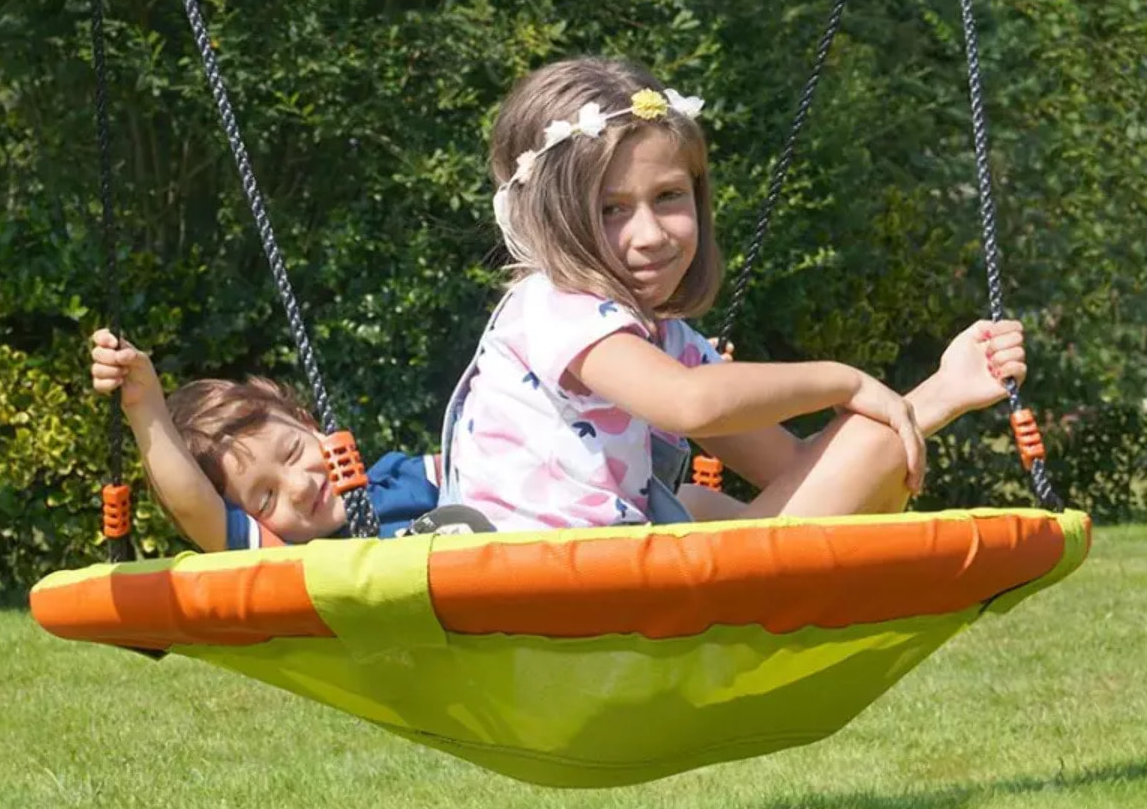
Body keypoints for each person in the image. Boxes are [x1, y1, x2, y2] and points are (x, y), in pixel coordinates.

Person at [440, 55, 1028, 532]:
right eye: (611, 210)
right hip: (528, 588)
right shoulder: (553, 307)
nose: (649, 235)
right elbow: (689, 404)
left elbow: (803, 469)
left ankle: (939, 394)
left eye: (669, 197)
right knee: (702, 507)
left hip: (598, 578)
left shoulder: (668, 341)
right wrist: (843, 379)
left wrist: (939, 395)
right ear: (548, 217)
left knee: (702, 503)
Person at [89, 329, 440, 551]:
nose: (299, 487)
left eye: (293, 451)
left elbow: (484, 452)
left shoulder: (402, 477)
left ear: (308, 423)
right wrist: (144, 405)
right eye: (267, 499)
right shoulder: (294, 562)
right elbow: (193, 506)